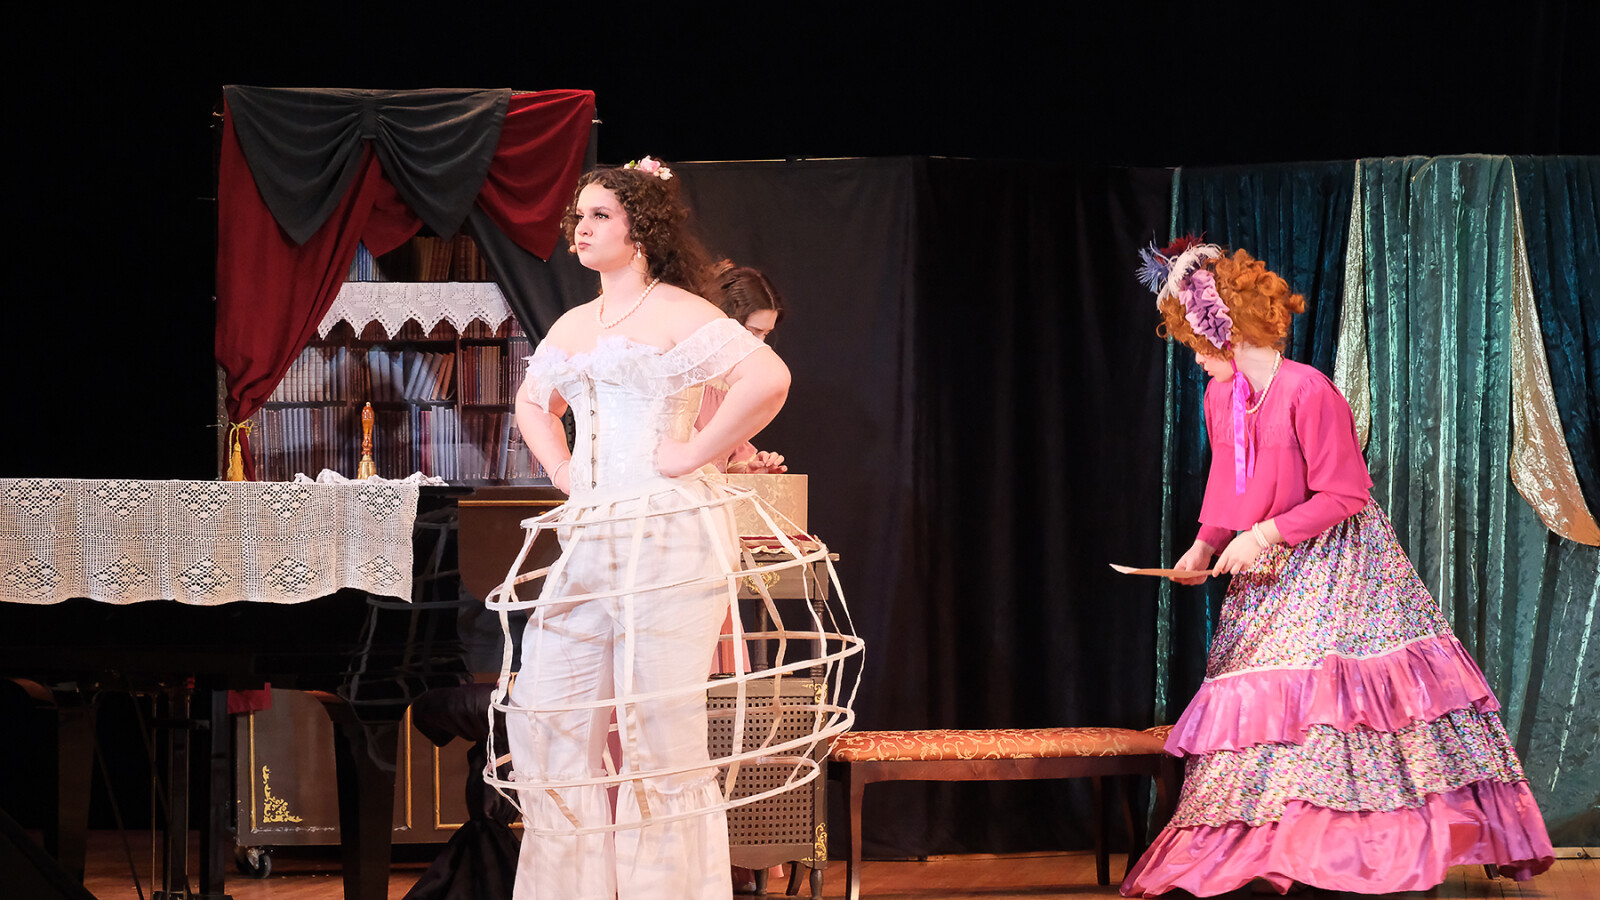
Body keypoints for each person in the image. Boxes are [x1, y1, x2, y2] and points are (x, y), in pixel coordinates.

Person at [1121, 239, 1554, 897]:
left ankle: (1357, 850)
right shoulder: (1221, 398)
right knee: (1266, 703)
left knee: (1336, 699)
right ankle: (1272, 848)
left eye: (1199, 345)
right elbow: (1231, 483)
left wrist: (1262, 534)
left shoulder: (1307, 391)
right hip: (1268, 569)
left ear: (1228, 333)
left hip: (1338, 563)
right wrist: (1206, 546)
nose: (1197, 358)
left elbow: (1344, 494)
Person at [482, 157, 860, 900]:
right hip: (594, 533)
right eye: (579, 215)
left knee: (657, 729)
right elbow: (533, 401)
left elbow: (767, 378)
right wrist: (562, 469)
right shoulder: (575, 323)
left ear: (641, 229)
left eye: (600, 215)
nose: (581, 227)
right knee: (548, 716)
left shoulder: (681, 312)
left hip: (667, 534)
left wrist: (692, 452)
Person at [695, 262, 790, 474]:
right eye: (752, 332)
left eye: (765, 334)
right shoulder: (686, 374)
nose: (759, 343)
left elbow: (728, 455)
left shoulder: (733, 385)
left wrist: (751, 469)